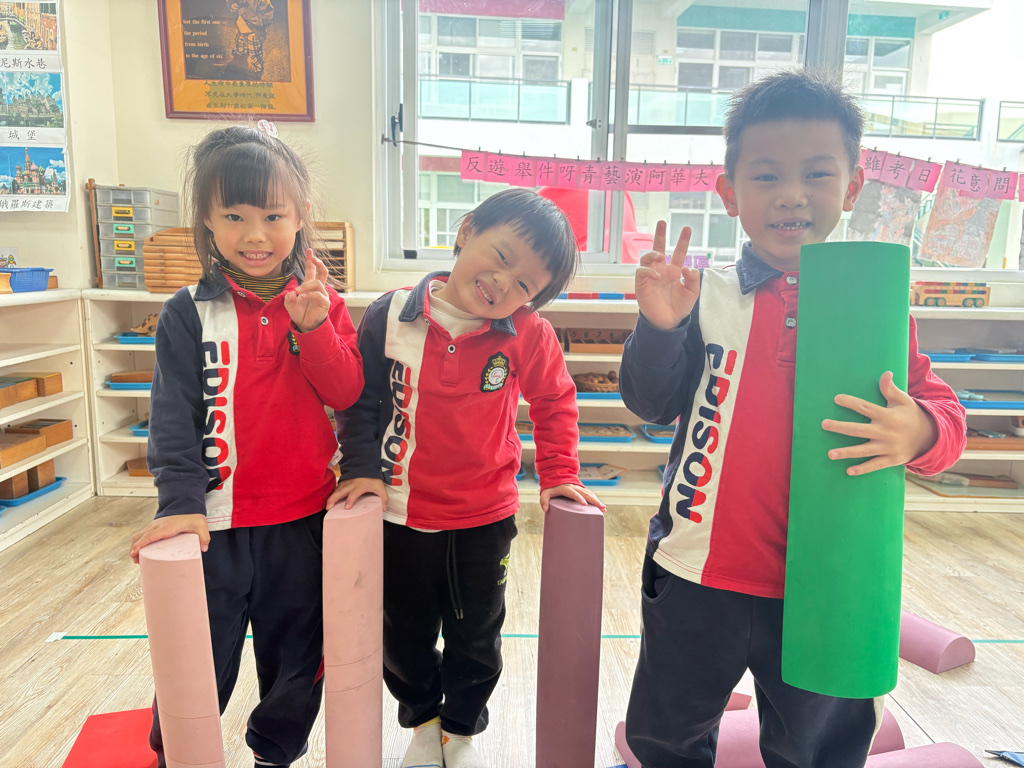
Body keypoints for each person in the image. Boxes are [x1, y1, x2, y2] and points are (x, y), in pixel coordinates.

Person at [620, 70, 967, 768]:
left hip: (830, 583)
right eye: (766, 175)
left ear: (853, 187)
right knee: (665, 736)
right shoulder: (703, 295)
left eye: (816, 173)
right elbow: (651, 404)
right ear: (729, 193)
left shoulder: (873, 306)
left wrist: (921, 431)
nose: (791, 194)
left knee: (819, 750)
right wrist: (659, 328)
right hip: (698, 572)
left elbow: (946, 417)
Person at [332, 188, 605, 768]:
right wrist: (358, 468)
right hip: (400, 512)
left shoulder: (528, 333)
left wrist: (558, 472)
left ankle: (459, 733)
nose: (503, 283)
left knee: (477, 637)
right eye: (501, 256)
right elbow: (358, 400)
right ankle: (423, 723)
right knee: (403, 636)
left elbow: (555, 400)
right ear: (466, 231)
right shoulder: (390, 314)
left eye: (524, 284)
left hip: (484, 517)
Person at [128, 124, 363, 768]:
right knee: (196, 655)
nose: (254, 234)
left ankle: (274, 754)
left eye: (272, 216)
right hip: (212, 524)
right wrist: (180, 503)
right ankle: (177, 752)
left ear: (300, 216)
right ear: (206, 218)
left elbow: (346, 391)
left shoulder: (323, 304)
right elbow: (172, 415)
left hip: (301, 520)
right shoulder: (186, 312)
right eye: (233, 215)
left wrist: (313, 328)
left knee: (297, 656)